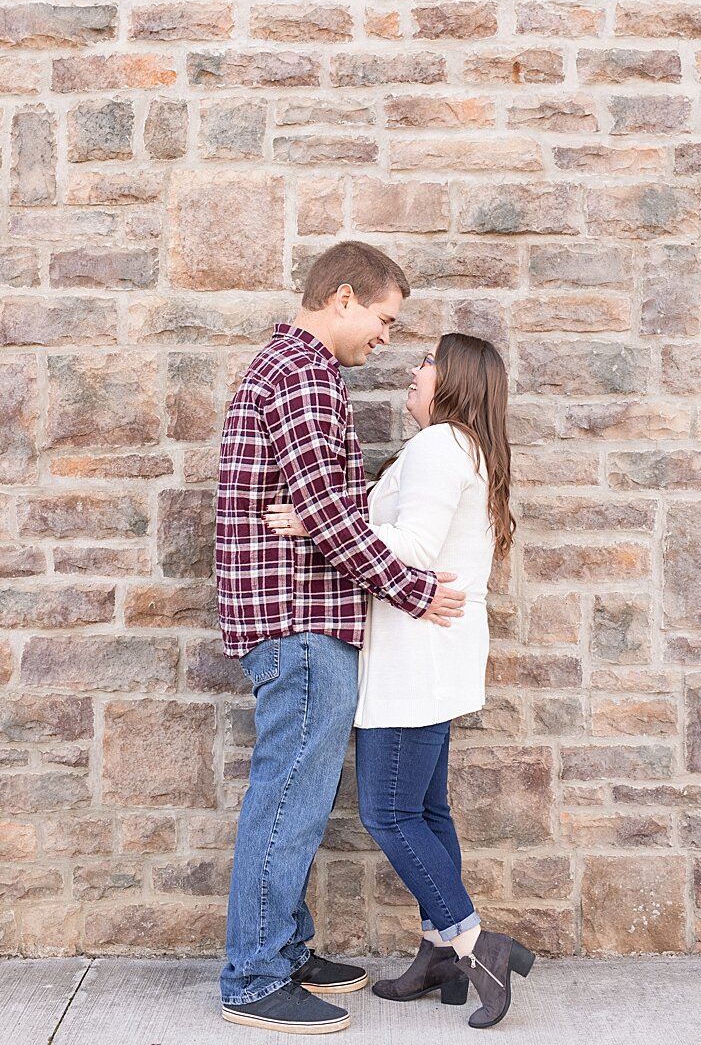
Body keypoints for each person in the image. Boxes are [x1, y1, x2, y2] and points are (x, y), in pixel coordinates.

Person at [216, 241, 467, 1035]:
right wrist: (416, 592)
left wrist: (328, 514)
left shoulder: (297, 372)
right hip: (298, 622)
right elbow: (330, 516)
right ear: (345, 297)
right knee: (288, 796)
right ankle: (254, 977)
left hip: (301, 618)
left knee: (301, 796)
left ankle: (284, 951)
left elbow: (323, 505)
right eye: (385, 320)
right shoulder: (303, 376)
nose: (386, 339)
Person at [267, 333, 535, 1029]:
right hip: (437, 653)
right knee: (427, 809)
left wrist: (315, 525)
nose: (413, 371)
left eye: (426, 362)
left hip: (415, 657)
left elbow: (411, 547)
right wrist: (337, 520)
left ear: (453, 382)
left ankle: (475, 944)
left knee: (388, 813)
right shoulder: (462, 449)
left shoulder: (440, 445)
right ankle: (436, 956)